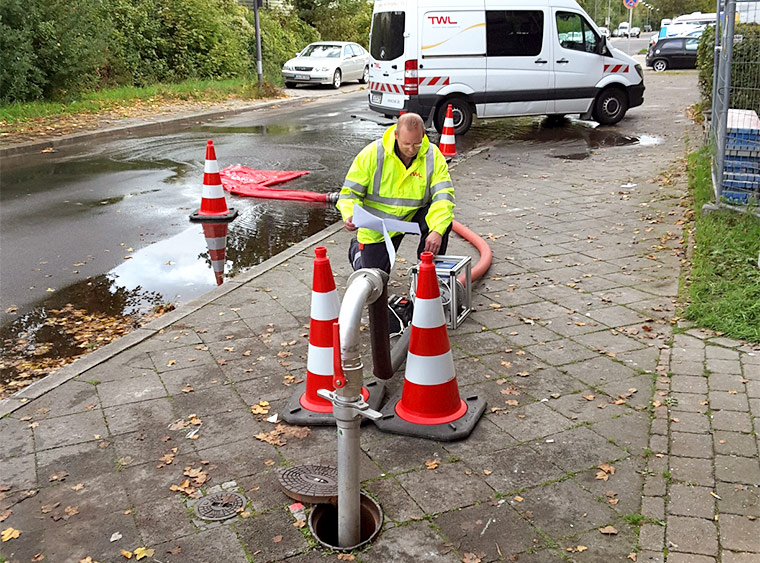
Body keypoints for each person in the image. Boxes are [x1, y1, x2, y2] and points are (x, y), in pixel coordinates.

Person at [337, 112, 455, 273]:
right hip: (379, 224)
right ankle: (356, 250)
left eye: (417, 143)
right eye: (406, 144)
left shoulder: (433, 156)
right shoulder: (372, 154)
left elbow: (443, 198)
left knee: (443, 223)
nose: (412, 149)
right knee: (374, 277)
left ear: (423, 135)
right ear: (396, 135)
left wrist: (437, 231)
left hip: (413, 216)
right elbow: (349, 193)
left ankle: (426, 273)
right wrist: (350, 215)